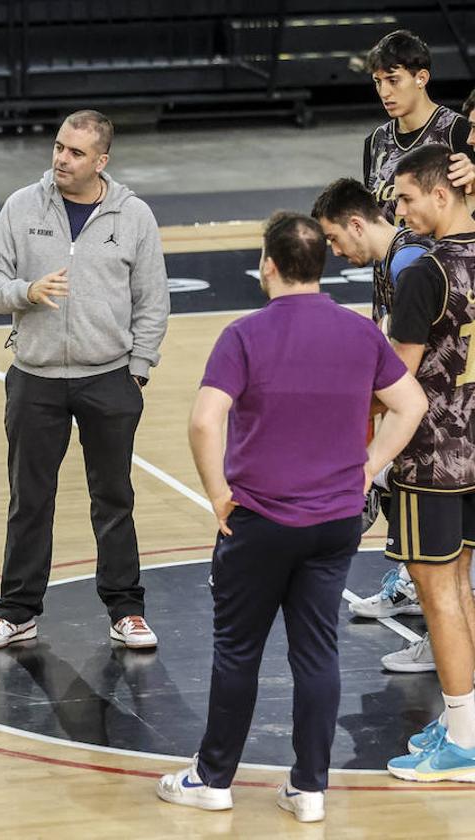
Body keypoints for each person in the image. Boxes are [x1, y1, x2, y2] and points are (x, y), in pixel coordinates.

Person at [157, 212, 425, 822]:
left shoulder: (244, 335)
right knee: (316, 653)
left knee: (237, 650)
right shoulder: (360, 333)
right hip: (335, 523)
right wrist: (367, 466)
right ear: (321, 265)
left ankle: (214, 779)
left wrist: (218, 495)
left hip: (261, 520)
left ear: (269, 266)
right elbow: (410, 404)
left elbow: (204, 421)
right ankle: (309, 790)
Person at [0, 109, 170, 651]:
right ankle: (17, 612)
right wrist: (26, 292)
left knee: (114, 498)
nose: (61, 158)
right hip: (34, 380)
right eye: (59, 147)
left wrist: (138, 370)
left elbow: (153, 300)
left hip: (109, 379)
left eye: (76, 152)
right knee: (28, 499)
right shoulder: (21, 206)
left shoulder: (134, 216)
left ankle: (125, 610)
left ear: (101, 160)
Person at [380, 144, 475, 782]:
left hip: (432, 460)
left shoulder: (426, 272)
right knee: (461, 587)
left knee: (438, 594)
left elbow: (393, 379)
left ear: (442, 194)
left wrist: (364, 458)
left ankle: (465, 744)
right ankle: (463, 720)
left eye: (408, 198)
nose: (402, 213)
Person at [311, 178, 432, 657]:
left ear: (356, 224)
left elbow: (407, 370)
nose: (334, 251)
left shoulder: (408, 263)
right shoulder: (397, 259)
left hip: (439, 418)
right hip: (430, 411)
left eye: (335, 239)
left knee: (439, 546)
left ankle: (444, 648)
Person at [363, 30, 474, 222]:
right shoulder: (375, 141)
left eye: (393, 80)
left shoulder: (459, 131)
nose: (384, 92)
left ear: (421, 78)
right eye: (377, 82)